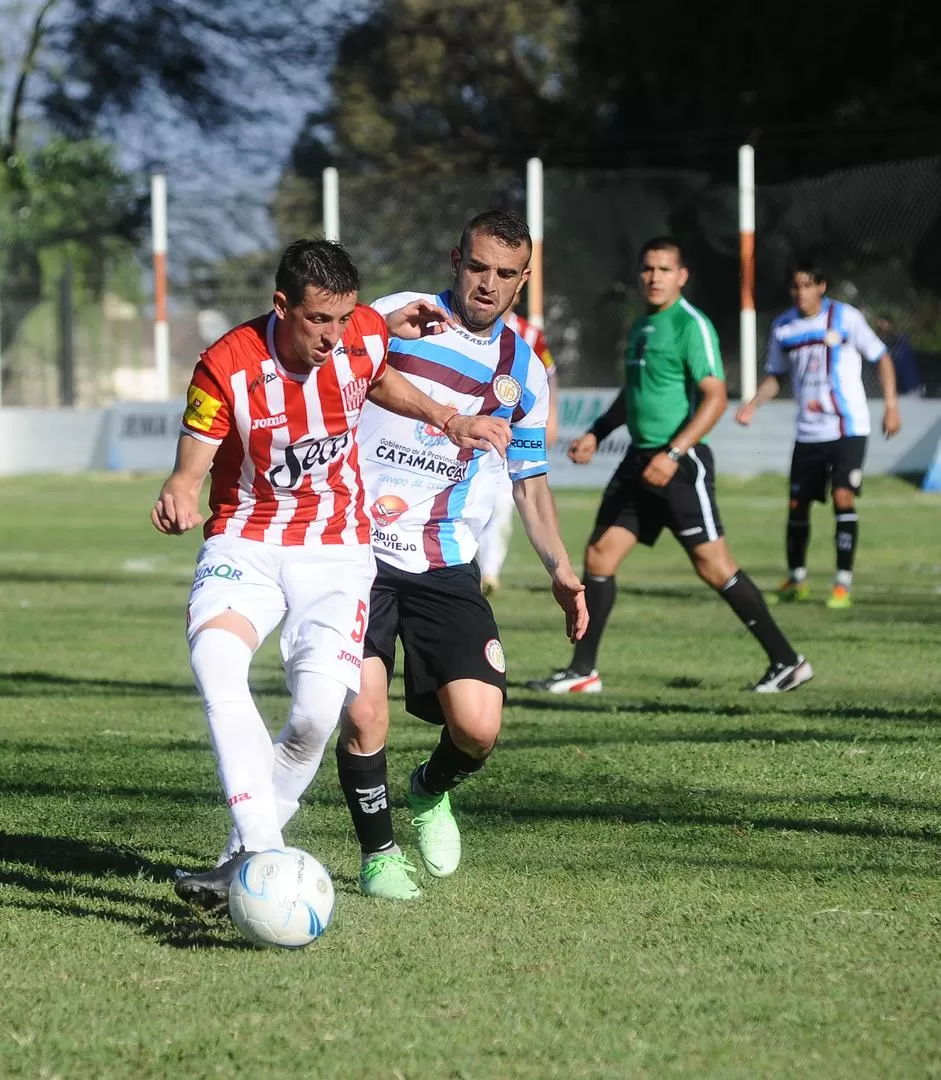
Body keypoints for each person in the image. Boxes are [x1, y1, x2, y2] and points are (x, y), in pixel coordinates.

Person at [153, 238, 509, 910]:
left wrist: (446, 416)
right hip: (247, 541)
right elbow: (191, 464)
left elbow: (376, 370)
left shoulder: (361, 333)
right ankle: (262, 850)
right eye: (317, 320)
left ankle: (238, 857)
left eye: (343, 320)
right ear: (281, 304)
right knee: (217, 664)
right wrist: (178, 489)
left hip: (337, 551)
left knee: (316, 716)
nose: (332, 337)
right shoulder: (225, 365)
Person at [334, 209, 589, 901]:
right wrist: (379, 332)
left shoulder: (523, 371)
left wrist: (560, 569)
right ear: (456, 260)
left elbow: (528, 481)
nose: (487, 284)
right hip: (352, 546)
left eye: (505, 274)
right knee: (363, 712)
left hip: (444, 556)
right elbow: (317, 354)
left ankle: (428, 789)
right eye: (477, 267)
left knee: (477, 727)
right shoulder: (395, 314)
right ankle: (380, 854)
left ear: (524, 280)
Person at [527, 236, 812, 696]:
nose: (654, 277)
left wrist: (674, 453)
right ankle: (583, 671)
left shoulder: (690, 326)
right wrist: (597, 433)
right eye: (648, 269)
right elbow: (633, 396)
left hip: (680, 463)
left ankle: (788, 661)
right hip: (639, 460)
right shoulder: (641, 326)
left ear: (682, 276)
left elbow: (715, 398)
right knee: (599, 556)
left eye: (664, 269)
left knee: (714, 566)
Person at [736, 260, 901, 609]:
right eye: (795, 286)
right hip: (808, 432)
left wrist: (891, 405)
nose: (801, 292)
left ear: (821, 286)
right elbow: (776, 376)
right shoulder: (783, 326)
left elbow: (881, 357)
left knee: (843, 497)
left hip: (847, 427)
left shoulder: (846, 318)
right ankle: (796, 579)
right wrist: (752, 404)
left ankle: (842, 583)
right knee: (797, 504)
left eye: (807, 285)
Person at [478, 292, 559, 596]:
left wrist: (552, 417)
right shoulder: (471, 329)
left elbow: (550, 375)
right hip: (477, 433)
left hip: (513, 433)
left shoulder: (530, 334)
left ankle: (489, 573)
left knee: (502, 505)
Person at [875, 313, 924, 397]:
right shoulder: (880, 345)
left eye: (884, 323)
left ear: (890, 324)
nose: (881, 326)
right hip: (897, 389)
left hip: (911, 386)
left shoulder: (901, 340)